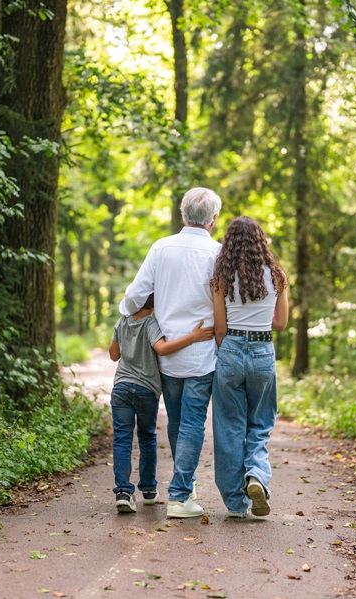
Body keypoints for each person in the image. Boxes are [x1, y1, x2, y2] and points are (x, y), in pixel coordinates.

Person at [118, 187, 222, 518]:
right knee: (192, 422)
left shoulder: (160, 248)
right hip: (202, 351)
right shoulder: (217, 253)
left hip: (166, 352)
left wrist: (129, 309)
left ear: (182, 214)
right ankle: (179, 496)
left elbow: (135, 298)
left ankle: (184, 489)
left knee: (177, 422)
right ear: (214, 220)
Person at [210, 216, 288, 518]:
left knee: (229, 427)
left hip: (230, 348)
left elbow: (219, 329)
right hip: (262, 350)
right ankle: (256, 475)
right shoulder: (278, 276)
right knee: (261, 422)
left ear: (228, 244)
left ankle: (235, 503)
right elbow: (281, 323)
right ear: (261, 242)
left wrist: (229, 350)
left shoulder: (221, 278)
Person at [109, 294, 214, 513]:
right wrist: (193, 337)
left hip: (120, 388)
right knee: (146, 437)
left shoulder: (122, 321)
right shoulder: (150, 323)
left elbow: (113, 354)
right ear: (154, 306)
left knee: (122, 439)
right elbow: (162, 348)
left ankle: (123, 492)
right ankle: (148, 490)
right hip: (146, 389)